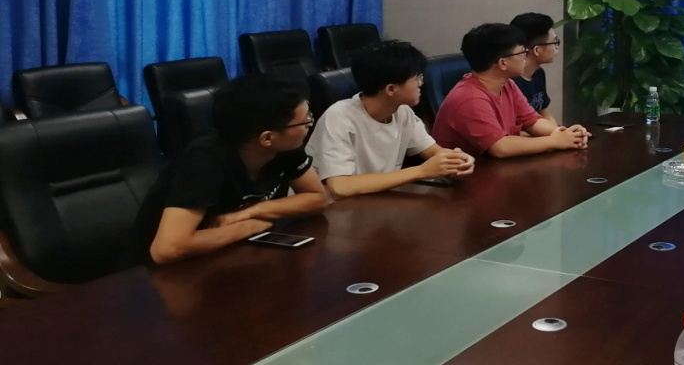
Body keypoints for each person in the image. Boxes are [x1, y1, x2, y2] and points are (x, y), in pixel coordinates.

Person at [139, 75, 328, 264]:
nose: (309, 125)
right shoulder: (204, 160)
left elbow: (317, 198)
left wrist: (252, 211)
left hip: (233, 254)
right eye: (305, 121)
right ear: (267, 138)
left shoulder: (286, 145)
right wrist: (246, 227)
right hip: (163, 271)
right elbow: (167, 249)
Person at [306, 40, 474, 199]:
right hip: (334, 208)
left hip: (378, 201)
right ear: (391, 89)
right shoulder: (339, 117)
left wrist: (458, 161)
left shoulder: (402, 111)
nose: (421, 83)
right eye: (417, 78)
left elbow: (433, 151)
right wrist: (421, 171)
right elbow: (340, 186)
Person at [432, 23, 591, 157]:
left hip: (495, 170)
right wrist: (554, 141)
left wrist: (564, 133)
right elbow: (500, 147)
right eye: (523, 52)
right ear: (502, 63)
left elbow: (532, 121)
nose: (526, 57)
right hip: (463, 177)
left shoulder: (507, 84)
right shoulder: (470, 99)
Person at [510, 12, 558, 122]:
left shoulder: (538, 73)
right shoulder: (509, 82)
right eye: (554, 42)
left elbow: (543, 112)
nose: (556, 47)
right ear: (537, 50)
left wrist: (560, 130)